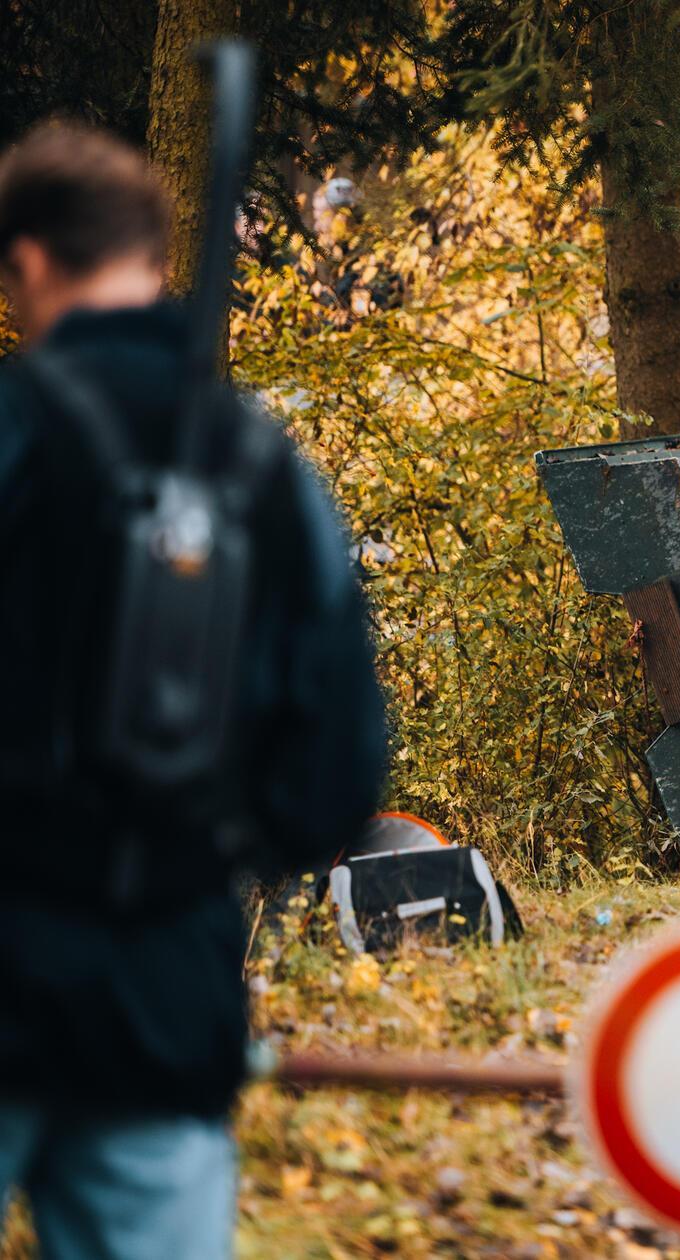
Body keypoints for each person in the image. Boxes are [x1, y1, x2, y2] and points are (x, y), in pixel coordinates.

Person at [0, 122, 386, 1259]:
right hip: (165, 995)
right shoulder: (263, 469)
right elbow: (337, 781)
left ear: (27, 261)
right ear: (154, 262)